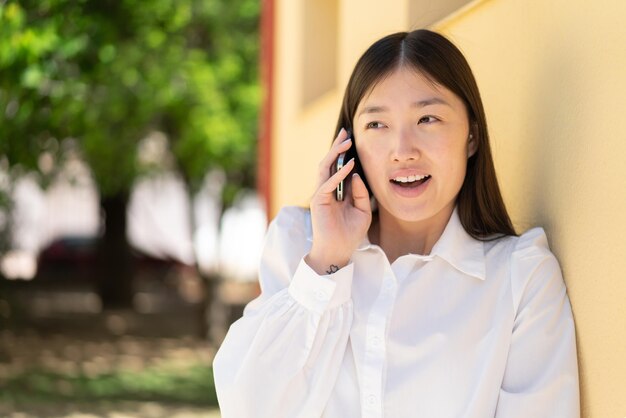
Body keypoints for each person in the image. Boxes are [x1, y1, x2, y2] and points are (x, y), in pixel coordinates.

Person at [213, 29, 579, 418]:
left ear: (471, 135)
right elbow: (248, 406)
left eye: (428, 118)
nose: (403, 151)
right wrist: (327, 263)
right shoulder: (298, 244)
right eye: (376, 125)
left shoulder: (521, 278)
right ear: (348, 145)